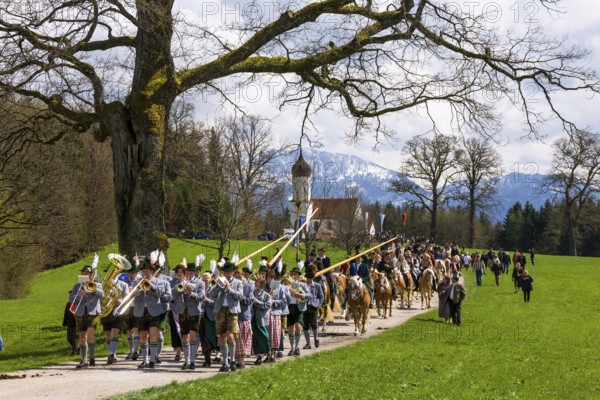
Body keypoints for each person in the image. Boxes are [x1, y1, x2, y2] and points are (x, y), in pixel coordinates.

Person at [132, 258, 167, 369]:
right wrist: (135, 295)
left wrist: (151, 287)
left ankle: (152, 360)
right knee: (142, 336)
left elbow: (161, 293)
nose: (145, 273)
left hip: (154, 311)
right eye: (144, 271)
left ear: (152, 272)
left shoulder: (159, 282)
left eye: (147, 271)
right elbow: (135, 301)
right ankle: (144, 360)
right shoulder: (138, 283)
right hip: (141, 311)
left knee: (153, 335)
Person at [69, 265, 105, 368]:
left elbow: (102, 295)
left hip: (93, 313)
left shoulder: (97, 284)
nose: (85, 275)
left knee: (90, 335)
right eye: (83, 273)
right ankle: (84, 360)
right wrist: (78, 296)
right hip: (80, 312)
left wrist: (93, 289)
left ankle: (92, 358)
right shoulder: (77, 286)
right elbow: (71, 298)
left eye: (87, 273)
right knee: (82, 337)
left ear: (91, 275)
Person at [172, 263, 205, 370]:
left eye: (191, 273)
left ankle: (192, 361)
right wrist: (179, 287)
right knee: (184, 337)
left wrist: (191, 293)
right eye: (187, 273)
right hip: (182, 311)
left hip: (194, 312)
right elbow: (172, 294)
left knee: (193, 335)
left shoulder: (200, 283)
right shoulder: (179, 281)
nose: (189, 275)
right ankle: (186, 361)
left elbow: (201, 297)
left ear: (194, 273)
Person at [213, 261, 244, 372]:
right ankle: (225, 363)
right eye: (225, 272)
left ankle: (232, 361)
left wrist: (229, 289)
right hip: (220, 310)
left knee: (231, 336)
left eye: (228, 272)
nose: (226, 274)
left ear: (232, 272)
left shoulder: (238, 282)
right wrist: (217, 286)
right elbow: (211, 295)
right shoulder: (219, 281)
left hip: (232, 311)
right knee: (221, 337)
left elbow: (240, 296)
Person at [100, 271, 129, 365]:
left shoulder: (123, 284)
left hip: (118, 311)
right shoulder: (103, 284)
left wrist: (120, 301)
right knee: (108, 334)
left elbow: (127, 297)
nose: (112, 275)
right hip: (106, 311)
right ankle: (113, 354)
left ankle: (112, 354)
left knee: (114, 332)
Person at [287, 266, 311, 356]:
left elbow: (309, 295)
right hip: (290, 307)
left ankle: (296, 347)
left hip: (299, 307)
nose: (293, 276)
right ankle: (292, 348)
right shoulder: (287, 284)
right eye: (292, 274)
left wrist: (300, 295)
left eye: (295, 274)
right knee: (290, 328)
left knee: (298, 326)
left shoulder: (303, 284)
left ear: (298, 276)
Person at [235, 266, 254, 369]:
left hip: (244, 316)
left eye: (240, 276)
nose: (238, 278)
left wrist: (239, 296)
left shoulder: (248, 286)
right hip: (234, 316)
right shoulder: (233, 285)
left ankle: (241, 361)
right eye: (236, 276)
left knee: (244, 339)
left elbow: (249, 301)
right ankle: (236, 360)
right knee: (236, 340)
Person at [251, 277, 271, 365]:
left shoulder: (267, 295)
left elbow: (267, 306)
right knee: (256, 338)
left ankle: (268, 352)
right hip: (253, 318)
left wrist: (257, 302)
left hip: (262, 319)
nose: (256, 286)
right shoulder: (252, 293)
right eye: (256, 284)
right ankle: (259, 356)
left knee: (264, 337)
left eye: (258, 284)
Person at [303, 266, 324, 349]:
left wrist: (318, 304)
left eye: (311, 278)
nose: (309, 280)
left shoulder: (317, 285)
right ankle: (308, 343)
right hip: (304, 306)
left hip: (313, 306)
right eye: (308, 278)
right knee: (305, 325)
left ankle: (316, 338)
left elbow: (321, 296)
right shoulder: (303, 285)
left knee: (313, 324)